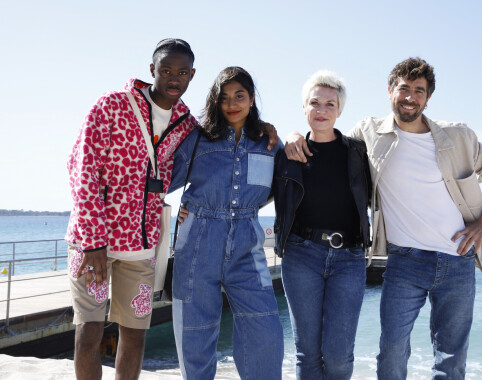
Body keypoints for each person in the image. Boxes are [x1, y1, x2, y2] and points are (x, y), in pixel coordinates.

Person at [285, 57, 482, 379]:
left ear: (428, 98)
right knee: (391, 351)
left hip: (457, 261)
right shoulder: (370, 133)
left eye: (419, 91)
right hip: (404, 262)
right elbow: (325, 136)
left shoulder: (457, 135)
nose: (410, 96)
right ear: (390, 91)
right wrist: (294, 133)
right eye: (404, 88)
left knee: (451, 358)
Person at [66, 39, 198, 380]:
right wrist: (93, 241)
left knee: (136, 334)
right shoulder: (111, 105)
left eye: (182, 72)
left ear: (191, 76)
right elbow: (81, 170)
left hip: (142, 247)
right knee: (89, 332)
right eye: (166, 70)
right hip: (92, 243)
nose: (173, 78)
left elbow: (215, 153)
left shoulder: (186, 125)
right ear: (152, 69)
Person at [169, 66, 285, 380]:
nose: (232, 103)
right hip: (197, 242)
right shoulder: (197, 139)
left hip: (248, 242)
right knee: (195, 333)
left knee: (266, 330)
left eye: (239, 95)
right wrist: (176, 213)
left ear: (251, 99)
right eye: (224, 98)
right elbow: (161, 180)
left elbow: (285, 187)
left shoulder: (269, 143)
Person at [272, 70, 371, 379]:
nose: (322, 110)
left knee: (339, 356)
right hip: (301, 255)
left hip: (349, 258)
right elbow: (258, 191)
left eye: (330, 104)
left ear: (339, 110)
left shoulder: (357, 152)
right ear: (304, 108)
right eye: (315, 103)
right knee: (308, 353)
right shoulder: (289, 153)